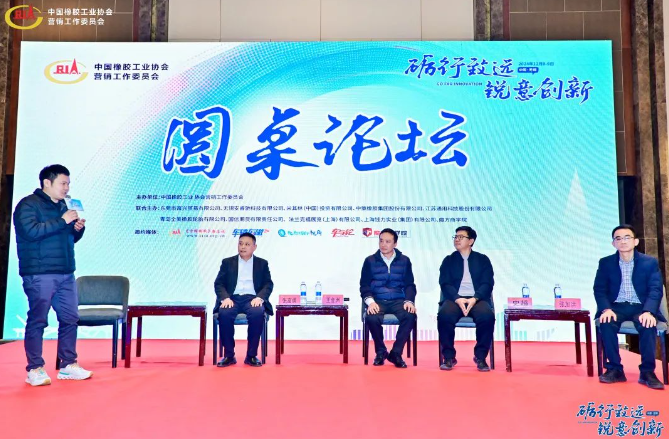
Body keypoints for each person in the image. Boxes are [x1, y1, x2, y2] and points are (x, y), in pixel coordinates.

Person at [14, 164, 92, 386]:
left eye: (68, 184)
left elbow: (67, 238)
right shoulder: (28, 205)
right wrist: (63, 221)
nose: (67, 188)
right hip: (40, 273)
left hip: (66, 272)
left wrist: (76, 229)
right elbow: (30, 232)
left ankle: (68, 365)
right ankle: (35, 368)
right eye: (63, 183)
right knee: (38, 320)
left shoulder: (64, 207)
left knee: (70, 318)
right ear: (47, 182)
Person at [594, 224, 665, 390]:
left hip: (641, 307)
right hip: (616, 307)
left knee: (648, 324)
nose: (623, 241)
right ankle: (615, 369)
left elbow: (655, 289)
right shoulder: (605, 263)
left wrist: (649, 311)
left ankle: (647, 372)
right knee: (606, 322)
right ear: (613, 243)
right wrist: (606, 309)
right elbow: (599, 289)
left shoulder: (649, 263)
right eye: (618, 238)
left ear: (635, 241)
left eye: (627, 238)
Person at [437, 226, 495, 372]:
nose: (457, 239)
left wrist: (475, 298)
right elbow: (445, 283)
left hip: (477, 299)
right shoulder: (448, 260)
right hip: (455, 299)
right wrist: (457, 298)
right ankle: (449, 357)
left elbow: (487, 283)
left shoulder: (482, 260)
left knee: (487, 316)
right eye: (455, 237)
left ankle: (481, 357)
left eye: (461, 237)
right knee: (444, 315)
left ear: (471, 241)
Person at [214, 232, 273, 367]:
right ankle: (229, 356)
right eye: (240, 244)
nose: (243, 247)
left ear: (254, 247)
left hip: (252, 299)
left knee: (257, 313)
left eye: (247, 244)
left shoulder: (262, 263)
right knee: (224, 313)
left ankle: (251, 356)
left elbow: (268, 284)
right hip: (232, 298)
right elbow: (219, 283)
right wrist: (225, 298)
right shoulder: (227, 262)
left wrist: (260, 298)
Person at [360, 228, 417, 368]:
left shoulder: (404, 260)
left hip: (398, 300)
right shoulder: (370, 261)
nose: (383, 244)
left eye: (387, 241)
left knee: (410, 316)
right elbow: (364, 285)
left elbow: (410, 284)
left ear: (395, 244)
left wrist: (409, 301)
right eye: (381, 241)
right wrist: (370, 302)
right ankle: (381, 352)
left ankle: (396, 353)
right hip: (377, 300)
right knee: (372, 317)